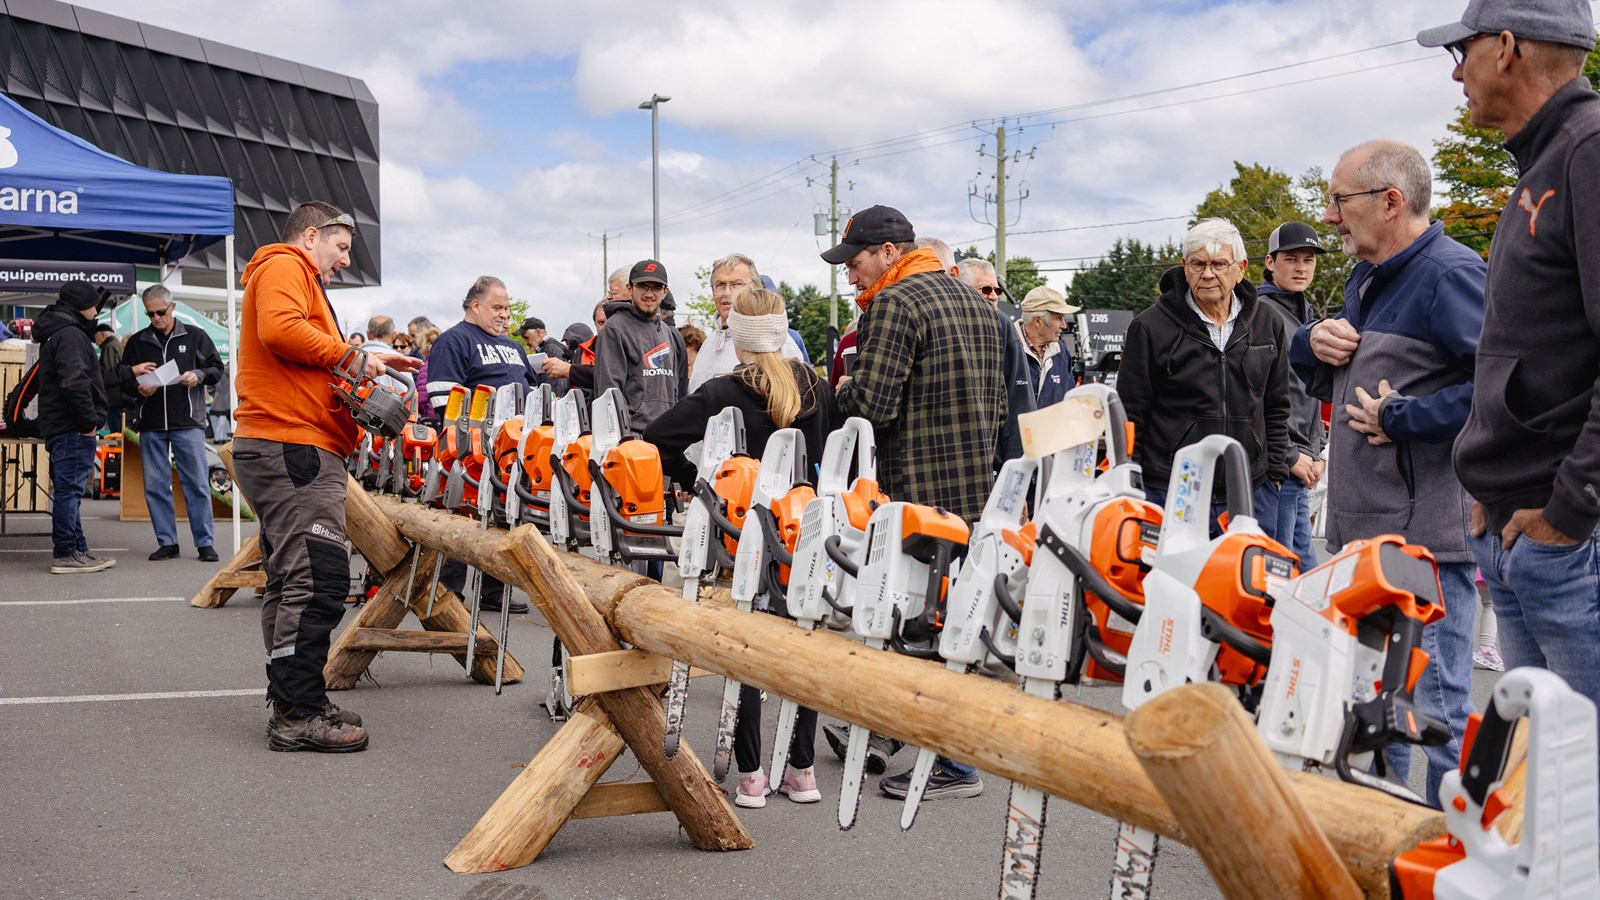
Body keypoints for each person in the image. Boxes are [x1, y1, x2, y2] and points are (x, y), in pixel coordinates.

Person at [1289, 140, 1486, 805]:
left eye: (1340, 200)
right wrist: (1309, 341)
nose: (1332, 216)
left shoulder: (1451, 275)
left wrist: (1404, 418)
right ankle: (1382, 850)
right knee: (1374, 706)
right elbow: (1334, 366)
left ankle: (1448, 856)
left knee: (1437, 711)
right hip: (1366, 541)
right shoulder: (1366, 276)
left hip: (1426, 544)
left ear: (1390, 202)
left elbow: (1504, 389)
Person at [1420, 0, 1600, 716]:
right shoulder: (1544, 164)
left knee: (1579, 789)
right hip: (1517, 530)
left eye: (1461, 53)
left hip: (1561, 541)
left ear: (1506, 46)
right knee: (1543, 791)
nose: (1457, 74)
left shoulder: (1588, 151)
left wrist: (1571, 509)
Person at [821, 204, 1005, 801]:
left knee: (912, 620)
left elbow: (872, 405)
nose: (851, 275)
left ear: (890, 252)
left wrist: (846, 386)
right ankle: (893, 731)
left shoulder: (895, 304)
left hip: (918, 491)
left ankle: (952, 763)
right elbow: (999, 405)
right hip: (972, 491)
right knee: (948, 619)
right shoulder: (977, 302)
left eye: (856, 261)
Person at [644, 285, 840, 808]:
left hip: (744, 534)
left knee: (748, 646)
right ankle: (802, 770)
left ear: (737, 334)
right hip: (808, 531)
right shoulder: (817, 386)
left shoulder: (721, 391)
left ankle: (751, 773)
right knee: (805, 643)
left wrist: (698, 482)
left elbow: (655, 439)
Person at [232, 200, 417, 752]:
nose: (342, 262)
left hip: (289, 443)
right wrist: (354, 358)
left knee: (294, 578)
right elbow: (282, 332)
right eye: (340, 249)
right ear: (311, 237)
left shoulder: (290, 272)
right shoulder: (288, 265)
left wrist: (358, 356)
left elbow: (293, 343)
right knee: (319, 579)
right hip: (291, 444)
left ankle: (295, 697)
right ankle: (296, 713)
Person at [1120, 217, 1289, 539]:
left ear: (1240, 269)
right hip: (1170, 491)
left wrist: (1274, 476)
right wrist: (1133, 484)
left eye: (1219, 264)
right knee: (1171, 586)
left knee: (1246, 587)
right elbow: (1131, 414)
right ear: (1184, 267)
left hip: (1251, 492)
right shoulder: (1150, 327)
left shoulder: (1268, 323)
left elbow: (1276, 405)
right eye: (1198, 264)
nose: (1208, 274)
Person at [425, 276, 536, 615]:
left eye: (507, 307)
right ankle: (448, 592)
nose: (505, 315)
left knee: (505, 518)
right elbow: (446, 401)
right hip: (469, 449)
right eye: (497, 307)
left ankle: (494, 590)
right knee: (462, 517)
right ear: (475, 306)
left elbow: (531, 391)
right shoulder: (453, 341)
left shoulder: (515, 347)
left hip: (512, 448)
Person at [118, 284, 225, 562]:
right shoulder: (137, 341)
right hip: (151, 422)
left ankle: (205, 543)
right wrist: (137, 389)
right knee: (155, 485)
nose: (155, 318)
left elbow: (217, 369)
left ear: (172, 307)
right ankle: (167, 542)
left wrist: (198, 375)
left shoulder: (195, 336)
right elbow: (123, 379)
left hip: (187, 422)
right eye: (150, 314)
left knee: (197, 483)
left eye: (160, 312)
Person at [1258, 222, 1329, 566]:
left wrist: (1317, 452)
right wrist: (1288, 455)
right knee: (1278, 572)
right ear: (1270, 262)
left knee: (1303, 569)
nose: (1301, 267)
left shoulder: (1304, 315)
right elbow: (1253, 394)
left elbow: (1309, 392)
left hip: (1303, 463)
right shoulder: (1260, 313)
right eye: (1291, 259)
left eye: (1308, 260)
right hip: (1279, 467)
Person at [34, 280, 115, 574]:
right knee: (69, 491)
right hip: (72, 426)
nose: (97, 308)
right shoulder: (70, 335)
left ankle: (78, 549)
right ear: (82, 305)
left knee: (70, 490)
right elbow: (75, 381)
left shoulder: (60, 330)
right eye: (94, 303)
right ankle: (66, 552)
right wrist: (88, 422)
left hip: (62, 424)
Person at [944, 250, 1034, 466]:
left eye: (997, 290)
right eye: (985, 289)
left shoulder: (1003, 326)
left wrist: (1016, 468)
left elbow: (1019, 401)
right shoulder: (942, 324)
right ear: (960, 288)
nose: (993, 295)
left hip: (992, 462)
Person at [592, 259, 688, 431]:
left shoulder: (666, 332)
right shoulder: (614, 329)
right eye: (643, 286)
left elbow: (675, 391)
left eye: (656, 287)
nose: (649, 293)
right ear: (630, 288)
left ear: (665, 291)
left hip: (664, 436)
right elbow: (608, 395)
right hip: (632, 438)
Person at [688, 254, 804, 393]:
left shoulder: (779, 343)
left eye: (737, 284)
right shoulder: (709, 343)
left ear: (756, 288)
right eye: (720, 285)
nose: (727, 292)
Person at [1013, 285, 1080, 408]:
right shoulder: (1007, 348)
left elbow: (1069, 400)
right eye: (1059, 318)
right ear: (1038, 321)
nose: (1064, 325)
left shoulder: (1061, 351)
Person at [93, 323, 123, 433]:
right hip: (119, 398)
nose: (96, 342)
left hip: (113, 399)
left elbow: (109, 374)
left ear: (102, 335)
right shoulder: (116, 344)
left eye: (96, 338)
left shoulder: (109, 346)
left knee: (116, 434)